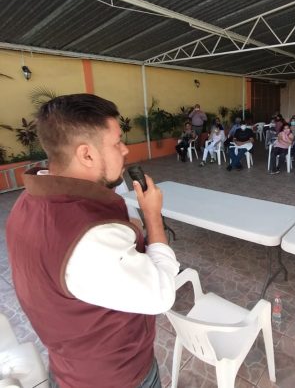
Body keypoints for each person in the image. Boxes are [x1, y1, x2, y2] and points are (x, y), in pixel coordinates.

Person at [6, 94, 180, 388]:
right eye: (116, 142)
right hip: (118, 377)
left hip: (68, 367)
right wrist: (152, 215)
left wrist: (128, 228)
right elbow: (161, 294)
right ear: (86, 154)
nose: (125, 150)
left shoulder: (27, 203)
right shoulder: (90, 237)